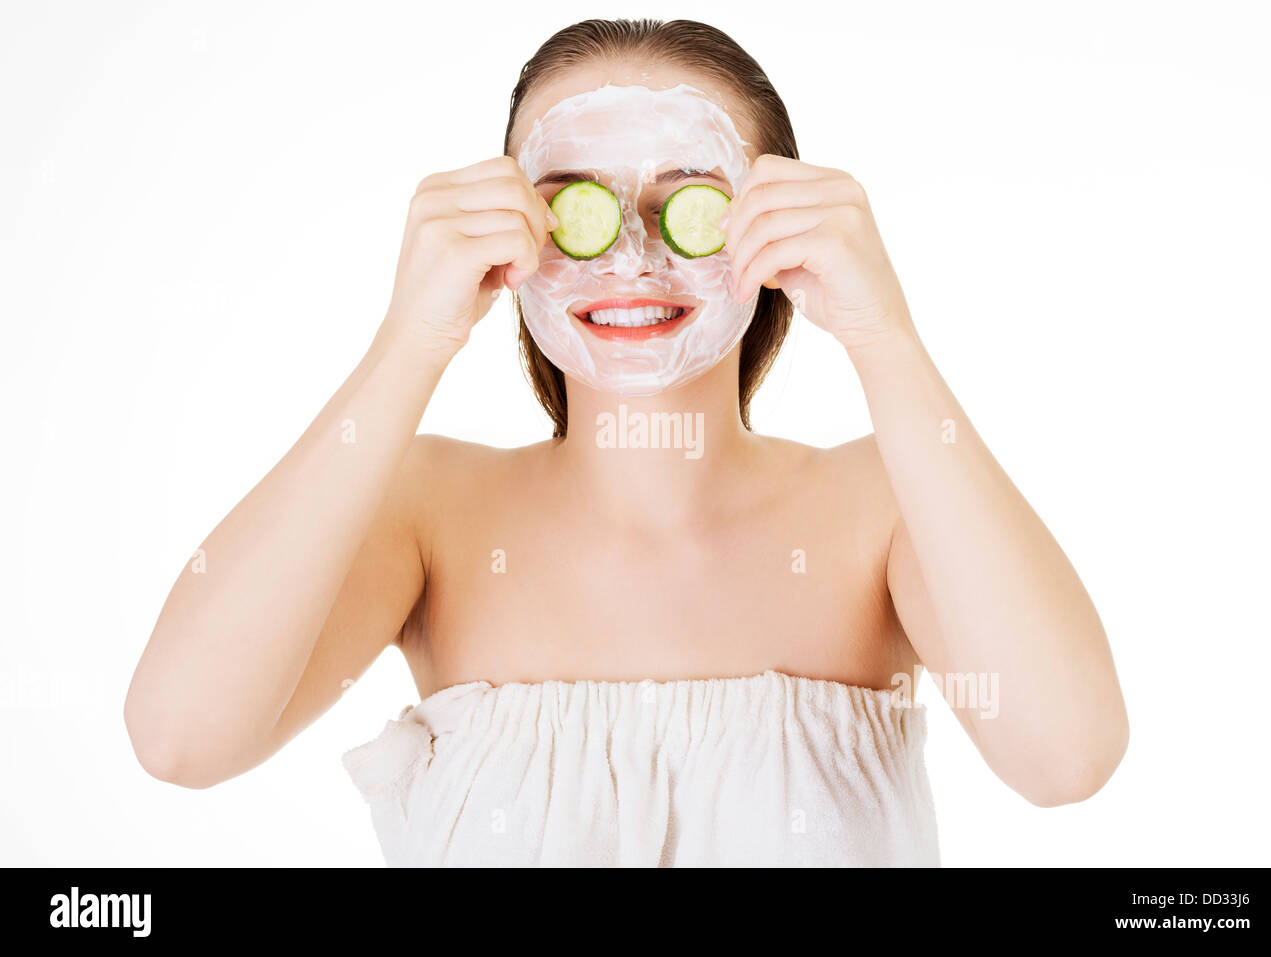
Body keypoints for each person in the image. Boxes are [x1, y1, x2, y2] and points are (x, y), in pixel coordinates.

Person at [125, 18, 1128, 867]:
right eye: (576, 206)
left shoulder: (887, 504)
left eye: (686, 198)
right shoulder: (425, 510)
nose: (633, 255)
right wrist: (410, 338)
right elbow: (179, 739)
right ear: (513, 229)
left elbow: (1065, 758)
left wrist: (884, 335)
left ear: (771, 228)